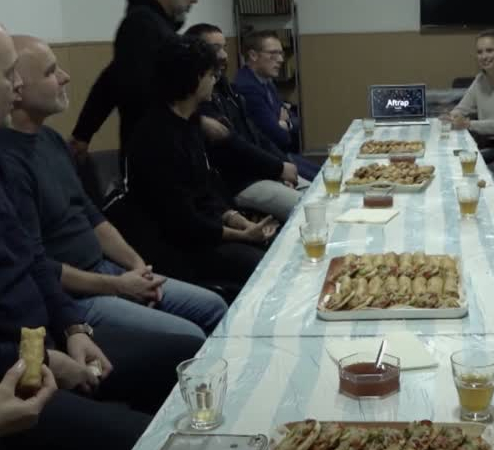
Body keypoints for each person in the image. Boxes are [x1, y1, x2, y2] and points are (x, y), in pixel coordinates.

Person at [0, 25, 204, 450]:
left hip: (52, 329)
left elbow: (34, 257)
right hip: (23, 363)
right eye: (7, 75)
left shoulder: (49, 142)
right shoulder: (10, 163)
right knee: (149, 432)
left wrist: (74, 327)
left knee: (185, 353)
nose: (15, 84)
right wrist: (44, 356)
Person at [0, 35, 227, 339]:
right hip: (77, 296)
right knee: (190, 337)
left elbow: (92, 215)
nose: (65, 77)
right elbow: (38, 264)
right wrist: (118, 286)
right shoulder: (10, 162)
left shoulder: (51, 140)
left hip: (106, 270)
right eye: (51, 72)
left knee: (214, 307)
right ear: (18, 88)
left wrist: (136, 266)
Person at [126, 35, 276, 295]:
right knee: (265, 267)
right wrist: (241, 235)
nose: (215, 80)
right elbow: (183, 221)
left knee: (273, 250)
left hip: (201, 230)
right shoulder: (157, 137)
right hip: (177, 247)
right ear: (194, 79)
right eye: (210, 74)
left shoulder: (190, 122)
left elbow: (206, 190)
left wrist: (238, 220)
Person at [69, 0, 216, 167]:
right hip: (154, 154)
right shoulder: (142, 24)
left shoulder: (153, 24)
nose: (195, 0)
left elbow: (111, 78)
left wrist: (83, 133)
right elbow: (128, 88)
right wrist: (198, 121)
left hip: (158, 148)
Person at [185, 23, 302, 223]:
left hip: (260, 172)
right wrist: (277, 168)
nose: (224, 55)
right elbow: (234, 145)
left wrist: (282, 166)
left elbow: (256, 134)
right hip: (240, 183)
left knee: (319, 191)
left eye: (224, 48)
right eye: (215, 49)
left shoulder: (227, 89)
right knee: (307, 207)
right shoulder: (202, 99)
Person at [234, 30, 319, 181]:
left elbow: (296, 121)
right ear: (253, 55)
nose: (280, 59)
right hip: (269, 162)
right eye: (273, 53)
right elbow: (280, 137)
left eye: (281, 53)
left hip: (281, 155)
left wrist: (284, 123)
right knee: (322, 180)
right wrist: (283, 124)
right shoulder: (247, 87)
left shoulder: (266, 81)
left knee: (325, 172)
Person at [449, 29, 494, 178]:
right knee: (454, 166)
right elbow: (461, 109)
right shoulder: (480, 80)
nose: (484, 56)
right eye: (480, 52)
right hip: (488, 146)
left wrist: (468, 124)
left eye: (489, 51)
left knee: (475, 176)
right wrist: (452, 116)